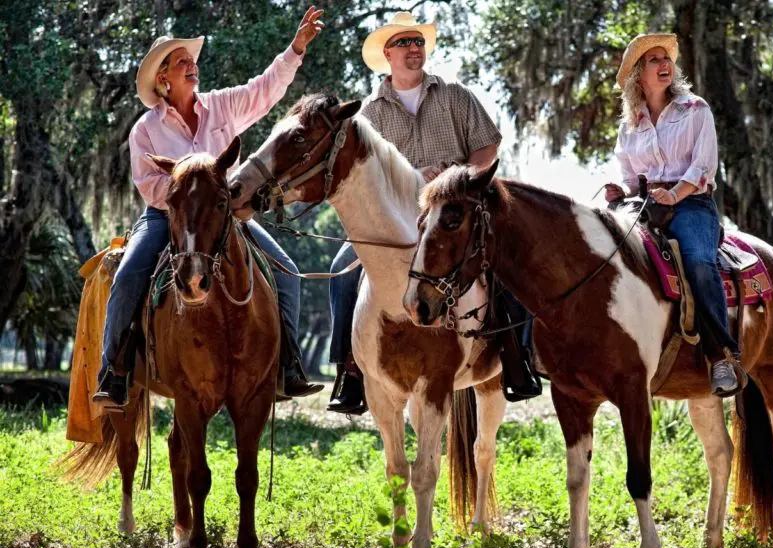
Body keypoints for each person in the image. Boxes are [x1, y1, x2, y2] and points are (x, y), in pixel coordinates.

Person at [92, 7, 328, 409]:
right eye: (181, 62)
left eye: (192, 60)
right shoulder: (144, 130)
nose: (192, 66)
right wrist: (192, 192)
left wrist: (295, 49)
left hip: (225, 219)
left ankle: (287, 366)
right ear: (162, 78)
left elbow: (265, 89)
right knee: (129, 274)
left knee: (287, 270)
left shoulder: (222, 105)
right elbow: (149, 186)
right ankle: (113, 371)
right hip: (167, 218)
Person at [326, 12, 541, 414]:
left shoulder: (455, 95)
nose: (414, 48)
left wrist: (456, 181)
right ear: (387, 54)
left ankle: (517, 357)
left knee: (510, 262)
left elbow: (487, 147)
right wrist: (412, 178)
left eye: (419, 42)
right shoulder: (368, 114)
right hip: (397, 216)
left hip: (456, 215)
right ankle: (349, 370)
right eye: (404, 43)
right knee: (342, 270)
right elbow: (366, 176)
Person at [603, 33, 740, 397]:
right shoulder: (629, 125)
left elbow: (703, 166)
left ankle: (720, 355)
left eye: (666, 58)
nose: (665, 64)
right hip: (644, 205)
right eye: (654, 60)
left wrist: (675, 193)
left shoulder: (695, 109)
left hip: (692, 203)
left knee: (698, 263)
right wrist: (621, 191)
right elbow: (630, 176)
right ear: (638, 74)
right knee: (609, 255)